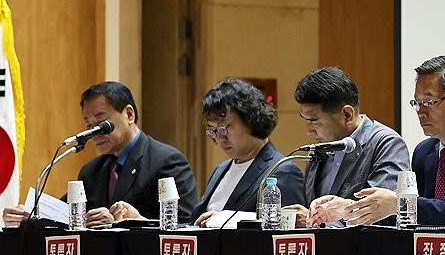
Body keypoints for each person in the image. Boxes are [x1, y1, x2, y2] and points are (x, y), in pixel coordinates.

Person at [309, 56, 445, 227]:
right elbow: (407, 219)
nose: (420, 112)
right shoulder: (425, 152)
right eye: (417, 103)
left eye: (429, 102)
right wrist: (351, 209)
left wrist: (401, 203)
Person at [2, 81, 198, 227]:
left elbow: (185, 226)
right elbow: (65, 213)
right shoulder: (92, 170)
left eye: (101, 122)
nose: (93, 133)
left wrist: (120, 223)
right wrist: (32, 213)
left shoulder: (166, 161)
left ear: (129, 114)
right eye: (88, 124)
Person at [291, 67, 410, 227]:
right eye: (306, 120)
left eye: (314, 121)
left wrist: (317, 223)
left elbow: (378, 213)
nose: (309, 130)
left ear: (347, 114)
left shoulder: (386, 143)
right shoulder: (321, 146)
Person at [190, 78, 304, 226]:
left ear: (250, 118)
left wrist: (224, 219)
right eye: (214, 130)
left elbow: (286, 229)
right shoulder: (221, 169)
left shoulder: (282, 171)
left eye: (224, 127)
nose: (220, 138)